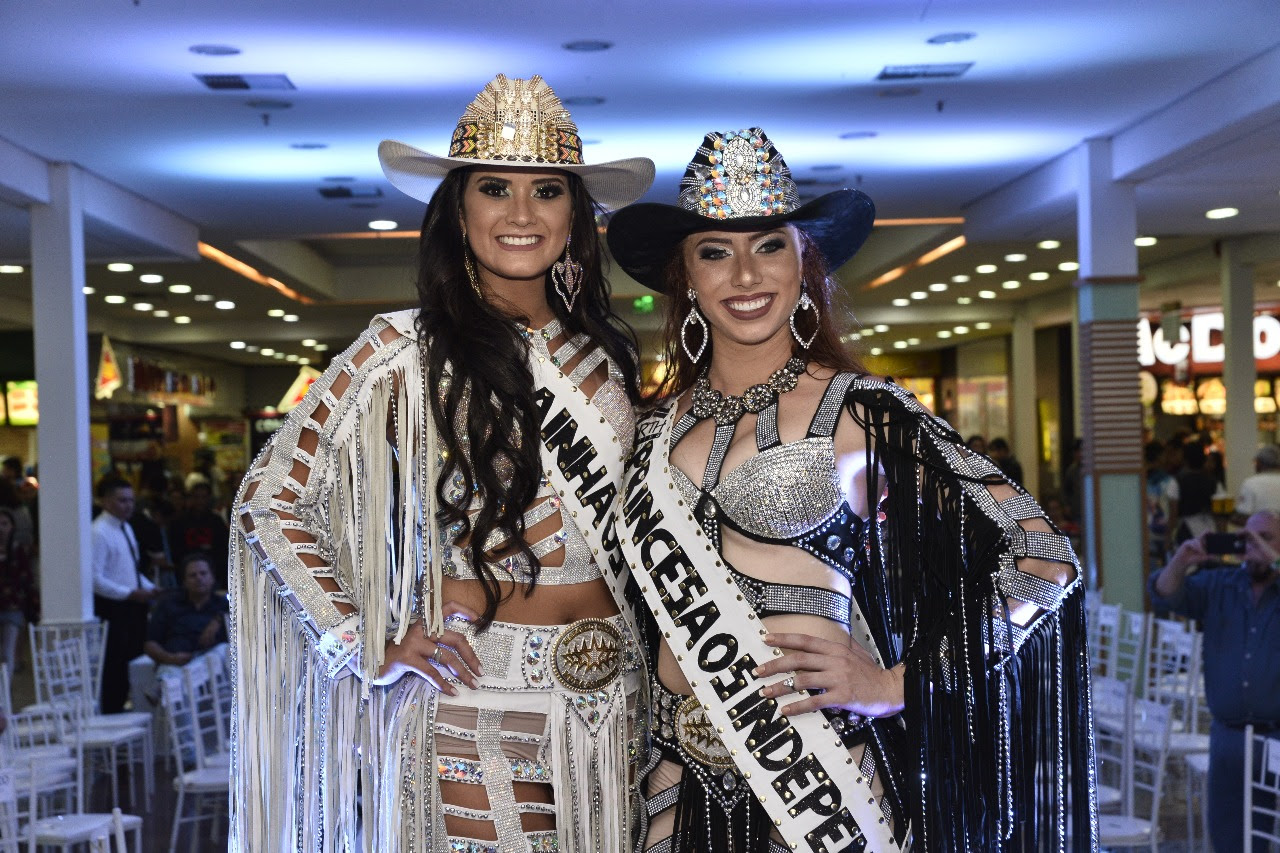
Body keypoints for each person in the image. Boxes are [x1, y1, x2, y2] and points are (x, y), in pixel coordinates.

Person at [606, 128, 1096, 851]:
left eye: (769, 245)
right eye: (716, 251)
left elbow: (1045, 557)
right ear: (687, 277)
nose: (745, 274)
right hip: (670, 791)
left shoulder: (866, 413)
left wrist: (900, 681)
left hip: (818, 788)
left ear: (804, 264)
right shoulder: (651, 432)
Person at [229, 74, 655, 851]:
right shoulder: (401, 350)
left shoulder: (603, 358)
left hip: (618, 701)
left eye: (548, 191)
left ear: (576, 217)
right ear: (459, 210)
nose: (521, 214)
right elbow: (267, 501)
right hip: (477, 694)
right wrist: (362, 638)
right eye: (495, 188)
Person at [1150, 511, 1280, 853]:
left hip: (1277, 737)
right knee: (1229, 837)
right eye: (1247, 539)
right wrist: (1182, 560)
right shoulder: (1219, 585)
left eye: (1266, 537)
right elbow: (1164, 593)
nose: (1253, 547)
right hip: (1229, 737)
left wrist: (1271, 557)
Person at [91, 476, 160, 713]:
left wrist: (149, 587)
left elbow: (130, 568)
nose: (128, 505)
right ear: (106, 501)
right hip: (114, 608)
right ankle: (113, 711)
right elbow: (95, 579)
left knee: (134, 660)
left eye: (131, 500)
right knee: (115, 665)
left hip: (133, 604)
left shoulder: (126, 527)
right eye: (122, 500)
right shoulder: (98, 532)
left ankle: (132, 708)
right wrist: (129, 593)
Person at [144, 552, 227, 669]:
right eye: (193, 575)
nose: (199, 578)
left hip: (214, 667)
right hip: (175, 665)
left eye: (203, 573)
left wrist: (218, 619)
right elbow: (150, 644)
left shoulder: (224, 605)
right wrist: (169, 658)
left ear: (212, 578)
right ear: (184, 582)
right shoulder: (168, 604)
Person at [168, 481, 229, 590]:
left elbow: (223, 549)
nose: (200, 501)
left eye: (203, 497)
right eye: (196, 497)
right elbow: (175, 549)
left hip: (213, 571)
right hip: (186, 571)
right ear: (191, 498)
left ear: (209, 498)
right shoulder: (179, 521)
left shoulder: (216, 521)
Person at [0, 507, 38, 672]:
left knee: (8, 651)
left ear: (12, 526)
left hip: (12, 605)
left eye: (4, 524)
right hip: (10, 602)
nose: (1, 528)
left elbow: (26, 579)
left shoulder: (19, 551)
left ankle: (5, 692)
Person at [1145, 440, 1180, 566]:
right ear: (1160, 457)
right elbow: (1173, 513)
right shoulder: (1170, 482)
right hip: (1162, 534)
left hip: (1143, 536)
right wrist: (1169, 537)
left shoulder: (1137, 481)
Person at [1232, 444, 1280, 525]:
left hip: (1259, 535)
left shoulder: (1250, 483)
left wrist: (1227, 516)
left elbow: (1243, 517)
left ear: (1259, 463)